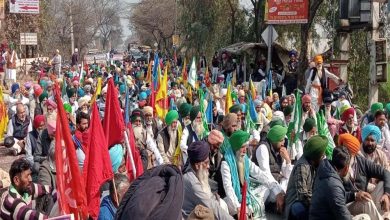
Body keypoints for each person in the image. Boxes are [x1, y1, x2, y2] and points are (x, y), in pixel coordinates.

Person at [221, 130, 284, 218]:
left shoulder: (245, 159)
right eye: (242, 147)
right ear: (236, 147)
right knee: (223, 205)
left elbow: (259, 174)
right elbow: (228, 188)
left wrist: (277, 191)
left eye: (246, 147)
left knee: (266, 188)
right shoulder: (226, 163)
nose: (245, 150)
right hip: (231, 198)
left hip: (245, 194)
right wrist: (239, 207)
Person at [343, 124, 390, 219]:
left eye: (372, 140)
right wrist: (355, 195)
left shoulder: (361, 161)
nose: (369, 143)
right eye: (367, 140)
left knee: (383, 184)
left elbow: (386, 172)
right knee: (366, 201)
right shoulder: (339, 165)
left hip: (366, 196)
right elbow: (336, 195)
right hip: (349, 203)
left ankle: (383, 214)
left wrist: (386, 194)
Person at [310, 146, 370, 220]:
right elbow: (344, 216)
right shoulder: (333, 184)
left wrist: (354, 195)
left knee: (366, 202)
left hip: (326, 214)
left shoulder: (325, 169)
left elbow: (336, 197)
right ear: (346, 168)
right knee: (365, 218)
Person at [182, 141, 233, 219]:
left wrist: (214, 197)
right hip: (193, 217)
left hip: (204, 208)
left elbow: (208, 196)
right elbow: (211, 205)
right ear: (197, 166)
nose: (208, 166)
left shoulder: (198, 173)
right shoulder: (191, 181)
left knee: (223, 204)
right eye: (206, 163)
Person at [284, 135, 328, 220]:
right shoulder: (302, 167)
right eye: (322, 155)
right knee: (301, 209)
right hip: (295, 201)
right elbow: (302, 196)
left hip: (311, 198)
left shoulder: (314, 163)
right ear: (316, 156)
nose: (324, 156)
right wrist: (319, 205)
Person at [255, 125, 293, 191]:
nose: (283, 143)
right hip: (264, 185)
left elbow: (287, 175)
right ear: (274, 140)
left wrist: (288, 160)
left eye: (284, 140)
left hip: (275, 183)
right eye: (281, 140)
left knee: (291, 180)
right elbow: (266, 175)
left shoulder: (279, 150)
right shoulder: (263, 148)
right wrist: (278, 191)